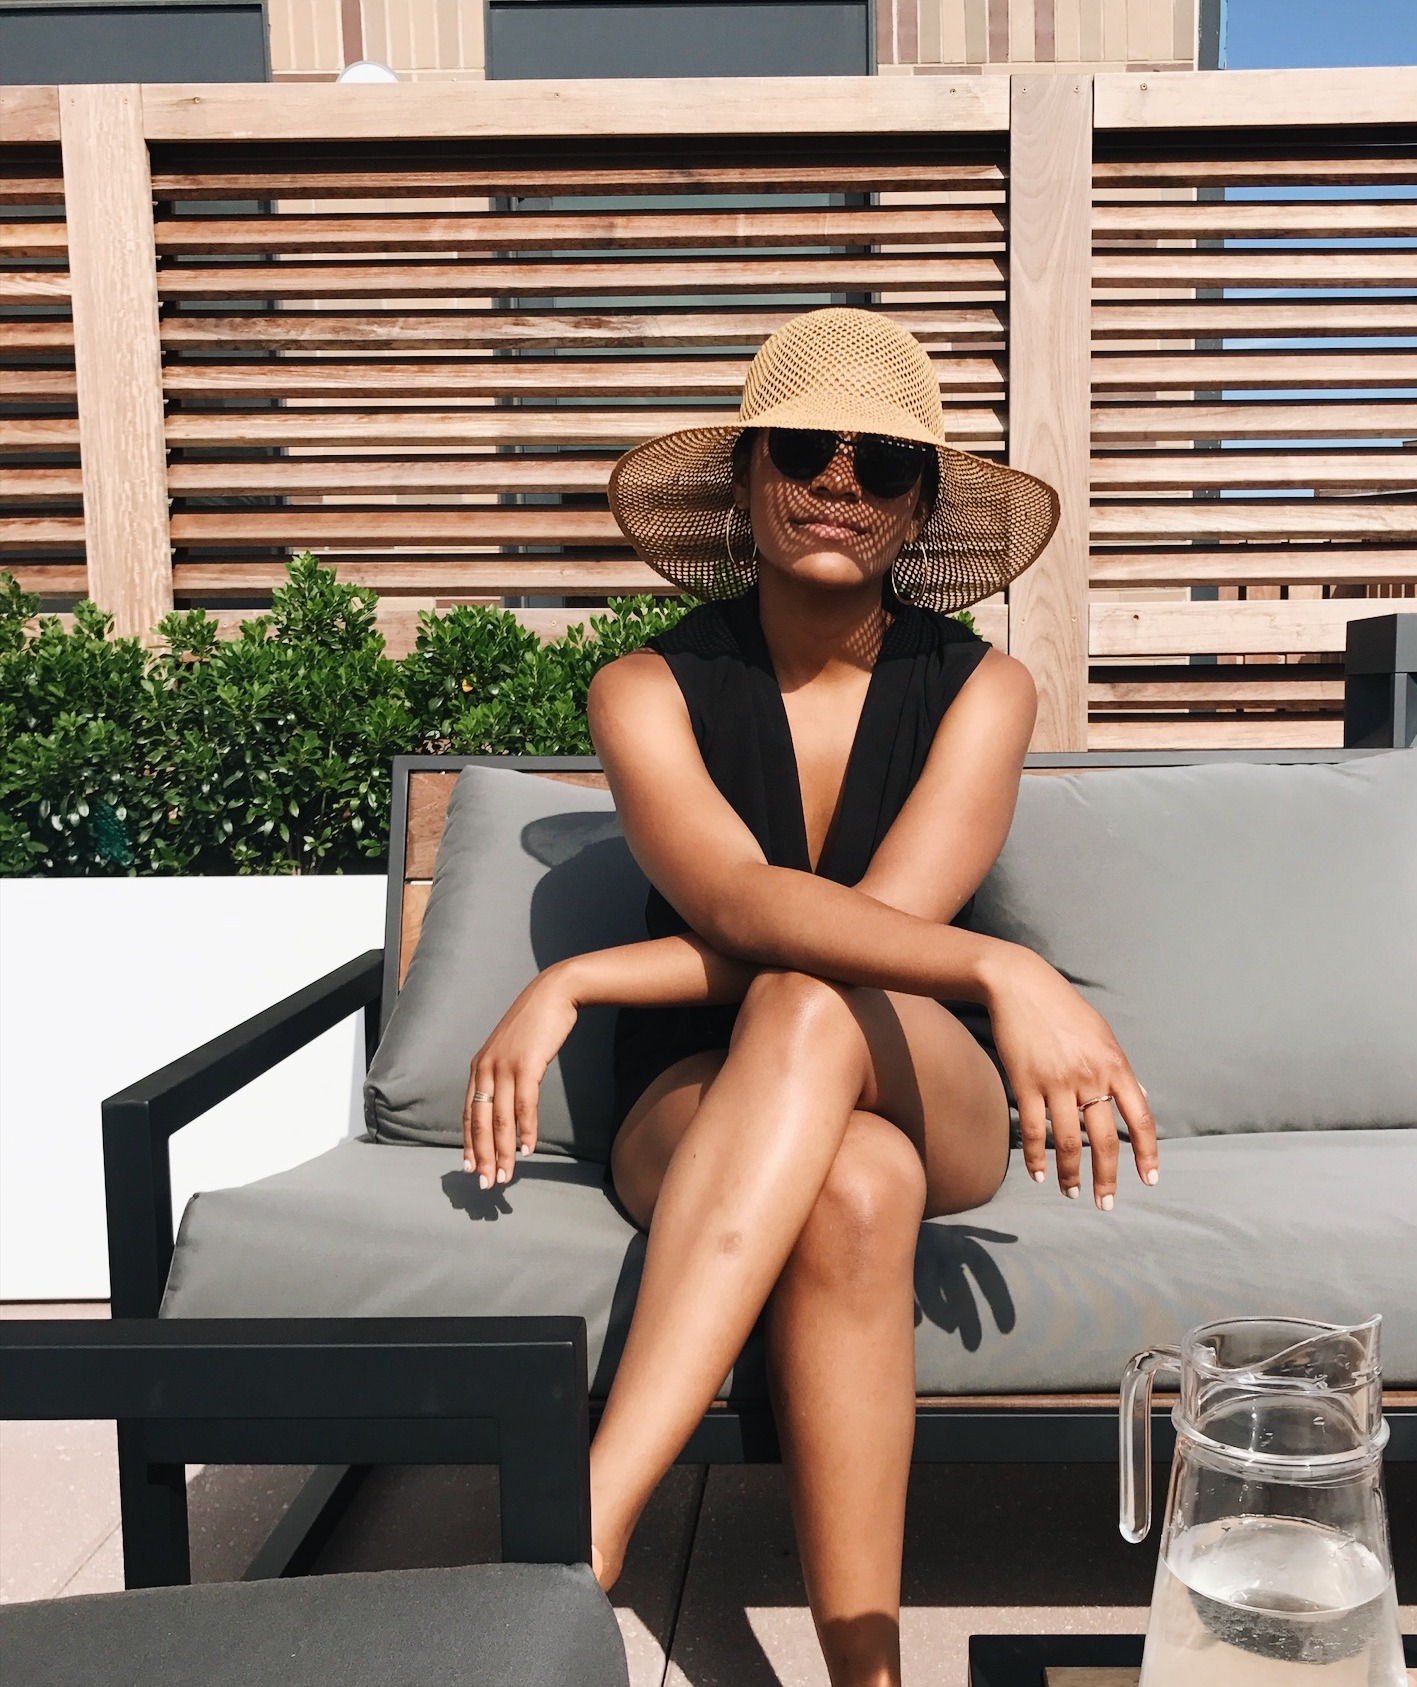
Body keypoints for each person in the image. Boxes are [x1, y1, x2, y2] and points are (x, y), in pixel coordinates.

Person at [460, 308, 1157, 1687]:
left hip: (915, 1064)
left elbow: (873, 942)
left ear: (918, 509)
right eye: (803, 449)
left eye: (884, 462)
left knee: (811, 1004)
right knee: (854, 1183)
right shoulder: (644, 689)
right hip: (694, 1096)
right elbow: (737, 903)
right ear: (744, 477)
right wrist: (1005, 966)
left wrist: (584, 974)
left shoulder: (984, 690)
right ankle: (868, 1678)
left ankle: (585, 1528)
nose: (841, 480)